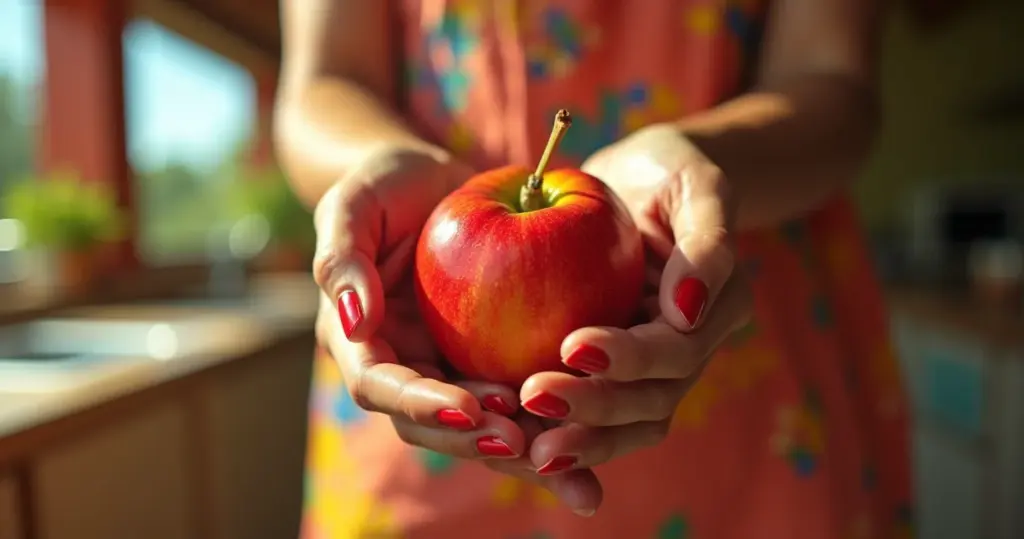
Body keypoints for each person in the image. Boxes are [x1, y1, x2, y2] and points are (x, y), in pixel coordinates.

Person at [275, 0, 913, 537]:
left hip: (721, 322)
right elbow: (322, 85)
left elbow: (835, 79)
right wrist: (377, 165)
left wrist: (700, 158)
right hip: (420, 348)